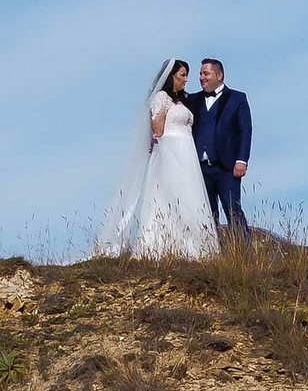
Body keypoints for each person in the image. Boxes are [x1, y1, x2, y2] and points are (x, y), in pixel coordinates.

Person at [93, 58, 219, 259]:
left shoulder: (183, 100)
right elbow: (157, 127)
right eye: (182, 75)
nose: (186, 79)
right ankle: (162, 245)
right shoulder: (162, 97)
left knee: (189, 195)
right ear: (171, 77)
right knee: (170, 195)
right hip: (171, 151)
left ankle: (195, 246)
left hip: (187, 153)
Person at [188, 58, 253, 247]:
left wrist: (242, 160)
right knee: (207, 213)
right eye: (200, 74)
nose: (201, 78)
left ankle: (242, 255)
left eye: (205, 74)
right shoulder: (193, 99)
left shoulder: (237, 98)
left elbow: (245, 130)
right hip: (200, 167)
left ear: (219, 75)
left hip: (227, 167)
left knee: (233, 209)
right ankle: (212, 252)